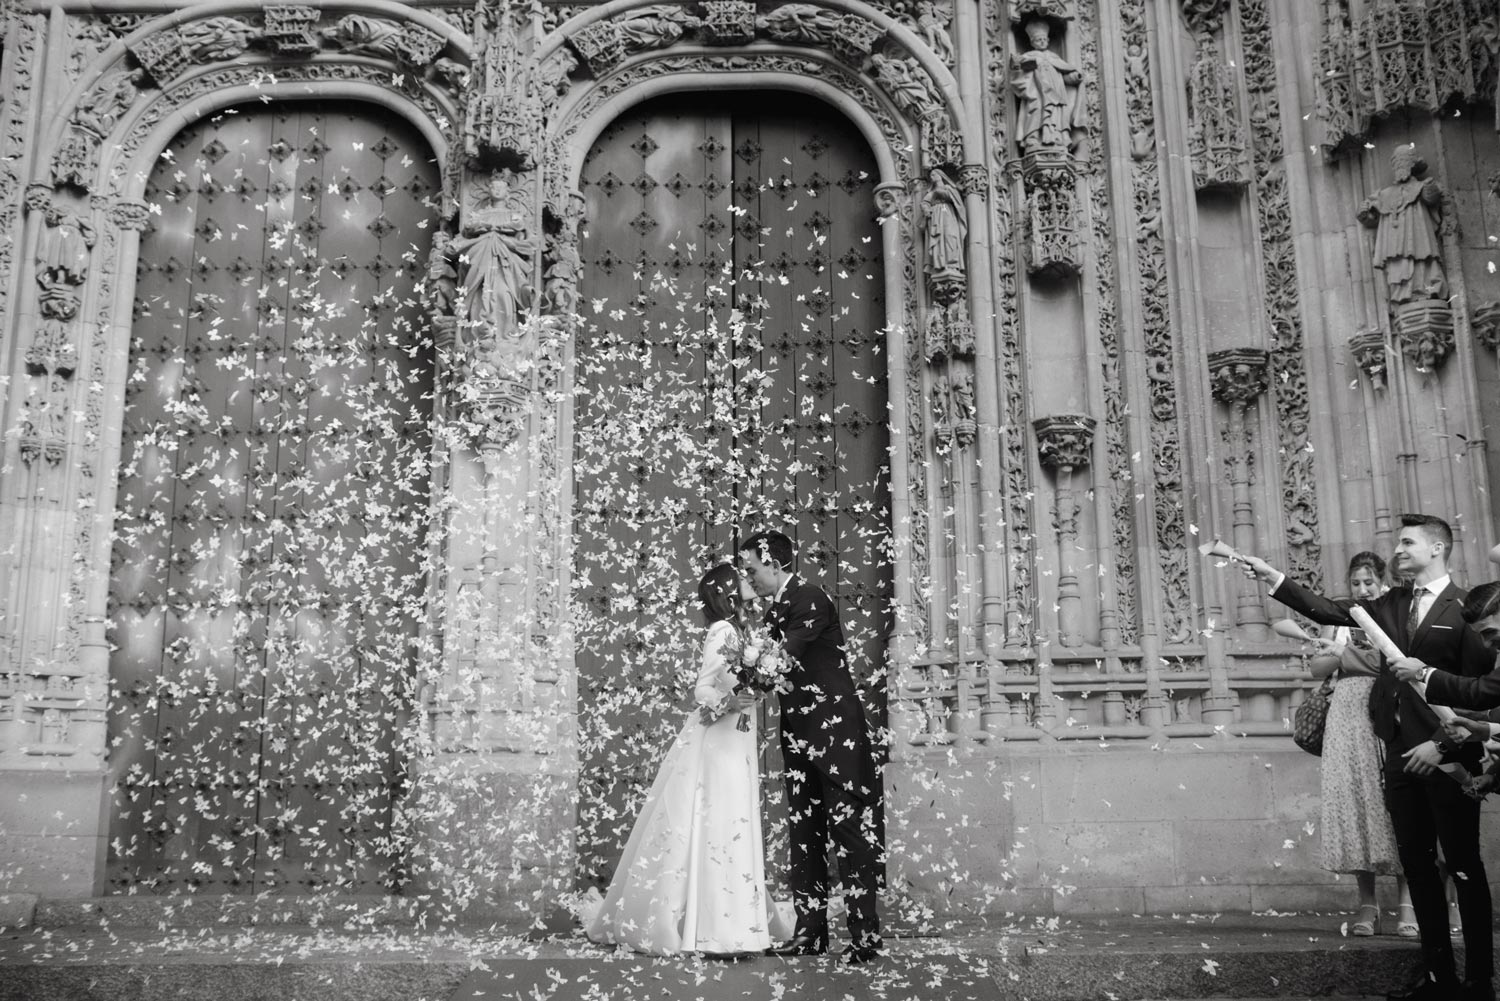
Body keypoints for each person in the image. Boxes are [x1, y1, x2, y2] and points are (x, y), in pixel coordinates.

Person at [1242, 514, 1493, 1001]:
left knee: (1462, 864)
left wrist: (1447, 743)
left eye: (1407, 543)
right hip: (1398, 753)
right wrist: (1272, 576)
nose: (1397, 551)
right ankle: (1437, 977)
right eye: (1396, 543)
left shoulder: (1465, 607)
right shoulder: (1391, 602)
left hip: (1448, 752)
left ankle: (1479, 980)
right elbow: (1332, 612)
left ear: (1437, 548)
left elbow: (1480, 688)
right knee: (1416, 866)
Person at [586, 564, 777, 956]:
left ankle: (734, 924)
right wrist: (730, 701)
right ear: (727, 590)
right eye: (740, 578)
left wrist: (756, 686)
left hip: (735, 736)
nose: (747, 581)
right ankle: (715, 928)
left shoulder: (741, 632)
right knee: (722, 821)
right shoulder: (722, 631)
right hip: (720, 739)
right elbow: (702, 688)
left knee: (732, 821)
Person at [738, 530, 884, 965]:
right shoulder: (777, 607)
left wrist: (748, 677)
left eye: (752, 569)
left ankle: (864, 936)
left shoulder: (810, 600)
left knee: (847, 832)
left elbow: (780, 657)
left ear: (775, 563)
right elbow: (759, 655)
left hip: (835, 737)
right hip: (801, 736)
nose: (749, 578)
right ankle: (810, 932)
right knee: (805, 834)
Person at [1309, 552, 1415, 937]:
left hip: (1386, 712)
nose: (1362, 589)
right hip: (1346, 717)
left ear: (1384, 583)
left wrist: (1346, 656)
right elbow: (1317, 667)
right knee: (1355, 805)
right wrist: (1338, 652)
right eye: (1356, 583)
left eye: (1369, 582)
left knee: (1395, 806)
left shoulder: (1394, 618)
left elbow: (1388, 663)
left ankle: (1408, 904)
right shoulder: (1339, 618)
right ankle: (1367, 905)